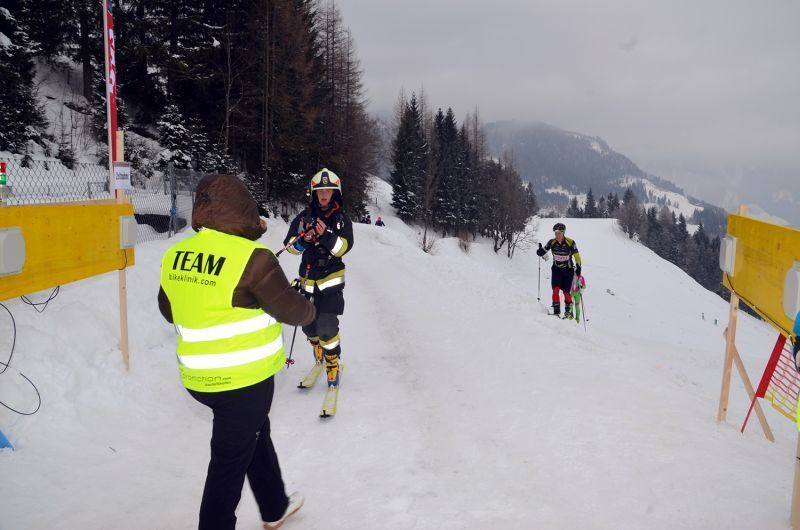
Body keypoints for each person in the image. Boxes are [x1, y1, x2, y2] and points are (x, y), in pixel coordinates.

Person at [158, 174, 315, 530]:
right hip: (243, 382)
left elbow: (169, 310)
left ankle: (275, 506)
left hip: (197, 379)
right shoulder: (254, 258)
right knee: (228, 463)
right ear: (243, 210)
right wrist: (310, 308)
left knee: (252, 433)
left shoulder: (175, 254)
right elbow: (293, 312)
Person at [283, 168, 353, 387]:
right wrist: (304, 239)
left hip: (331, 283)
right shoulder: (303, 217)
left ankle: (332, 363)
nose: (324, 195)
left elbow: (343, 247)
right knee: (308, 327)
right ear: (314, 193)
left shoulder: (341, 219)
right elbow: (290, 247)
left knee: (326, 327)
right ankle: (318, 349)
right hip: (307, 281)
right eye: (320, 191)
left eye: (328, 191)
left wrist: (325, 235)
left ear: (335, 193)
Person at [537, 222, 582, 318]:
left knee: (566, 292)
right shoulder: (551, 242)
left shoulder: (571, 242)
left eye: (559, 233)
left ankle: (568, 311)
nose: (557, 235)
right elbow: (544, 250)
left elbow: (577, 256)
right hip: (556, 269)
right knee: (555, 289)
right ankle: (556, 310)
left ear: (563, 233)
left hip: (568, 270)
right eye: (556, 233)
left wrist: (578, 267)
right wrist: (540, 251)